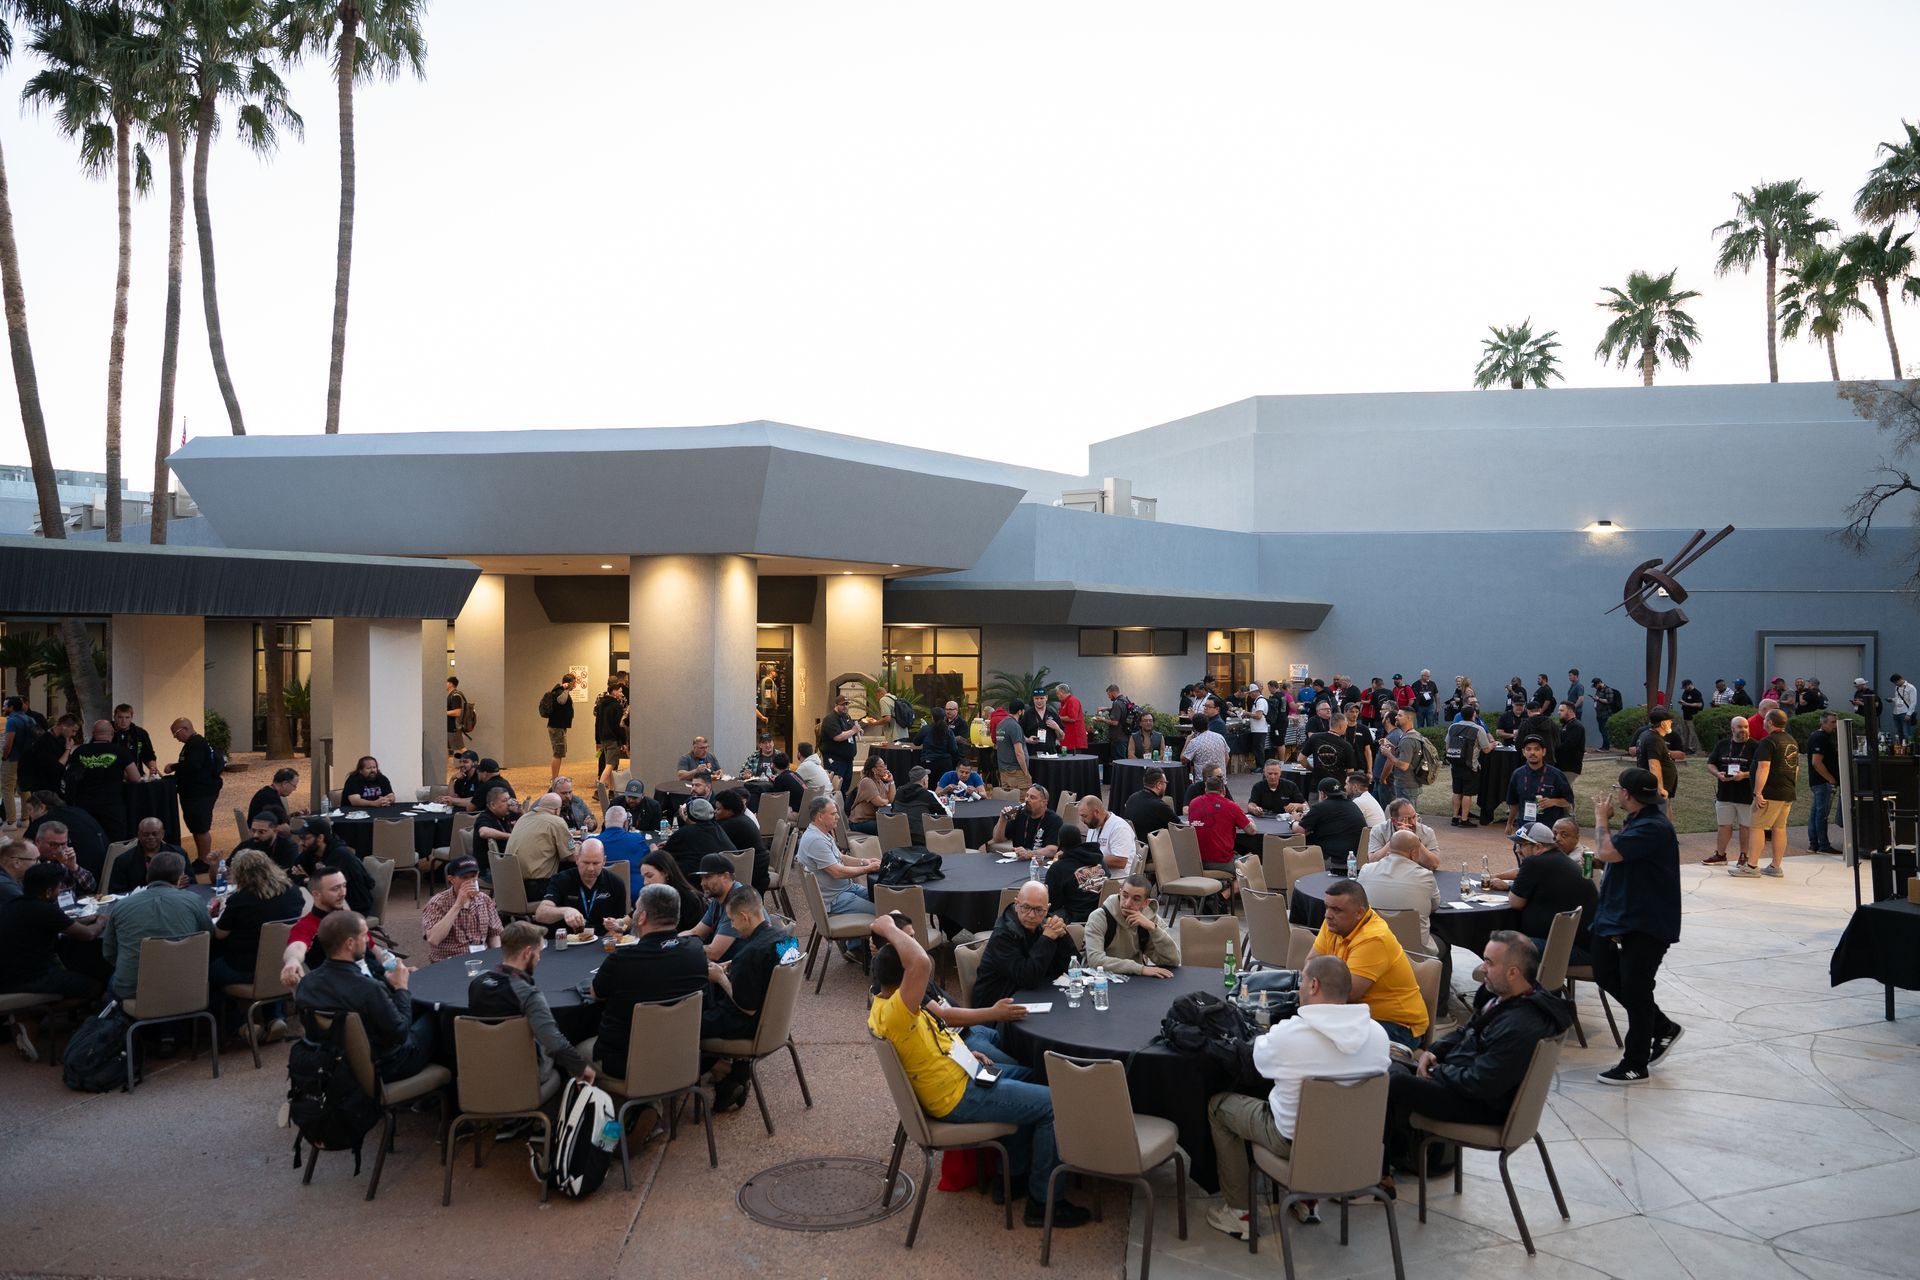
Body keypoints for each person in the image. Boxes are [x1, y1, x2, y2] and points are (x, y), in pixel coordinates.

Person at [866, 913, 1091, 1227]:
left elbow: (931, 1037)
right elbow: (920, 963)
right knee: (1054, 1104)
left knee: (1036, 1075)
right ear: (905, 982)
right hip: (956, 1096)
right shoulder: (897, 1012)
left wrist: (966, 1054)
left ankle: (1012, 1178)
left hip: (963, 1073)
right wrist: (887, 928)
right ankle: (1044, 1203)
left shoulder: (889, 1004)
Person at [1204, 955, 1390, 1239]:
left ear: (1313, 985)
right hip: (1358, 1147)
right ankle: (1307, 1200)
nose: (1300, 987)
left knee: (1219, 1107)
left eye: (1302, 980)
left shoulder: (1289, 1035)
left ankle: (1239, 1212)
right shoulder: (1378, 1036)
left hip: (1294, 1144)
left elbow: (1257, 1064)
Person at [1384, 933, 1573, 1178]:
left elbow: (1481, 1083)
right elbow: (1467, 1031)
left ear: (1513, 973)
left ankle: (1375, 1173)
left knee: (1393, 1082)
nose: (1483, 968)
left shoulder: (1521, 1024)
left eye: (1490, 963)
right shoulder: (1507, 998)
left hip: (1482, 1104)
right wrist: (1433, 1052)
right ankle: (1382, 1161)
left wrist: (1436, 1071)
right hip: (1464, 1084)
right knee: (1389, 1063)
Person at [1589, 768, 1683, 1084]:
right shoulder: (1640, 821)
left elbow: (1607, 851)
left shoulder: (1654, 826)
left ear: (1627, 794)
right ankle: (1664, 1027)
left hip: (1648, 920)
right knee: (1605, 971)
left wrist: (1601, 819)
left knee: (1636, 987)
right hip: (1624, 916)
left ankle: (1635, 1063)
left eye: (1619, 789)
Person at [294, 910, 436, 1082]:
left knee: (417, 1008)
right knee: (436, 1015)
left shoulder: (307, 983)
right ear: (350, 944)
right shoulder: (368, 988)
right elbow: (400, 1033)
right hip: (386, 1065)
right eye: (364, 936)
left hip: (334, 1060)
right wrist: (400, 987)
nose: (368, 940)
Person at [468, 921, 593, 1106]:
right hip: (521, 1075)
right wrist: (581, 1069)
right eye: (538, 953)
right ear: (527, 952)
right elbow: (554, 1042)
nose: (539, 959)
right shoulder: (527, 993)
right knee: (558, 1074)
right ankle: (528, 1120)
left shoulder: (476, 983)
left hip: (480, 1072)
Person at [591, 882, 709, 1078]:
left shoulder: (621, 960)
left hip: (626, 1063)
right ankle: (649, 1104)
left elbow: (596, 994)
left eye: (636, 909)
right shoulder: (696, 952)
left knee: (572, 1056)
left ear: (642, 917)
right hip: (683, 1058)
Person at [699, 887, 795, 1112]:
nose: (731, 926)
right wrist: (732, 968)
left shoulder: (749, 954)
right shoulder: (785, 938)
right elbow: (769, 970)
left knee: (687, 1023)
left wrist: (721, 977)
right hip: (776, 1021)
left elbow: (746, 1007)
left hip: (748, 1023)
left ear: (745, 917)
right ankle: (728, 1071)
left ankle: (724, 1069)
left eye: (732, 920)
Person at [1310, 878, 1428, 1048]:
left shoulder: (1374, 938)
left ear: (1359, 913)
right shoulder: (1335, 923)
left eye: (1336, 909)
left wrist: (1313, 986)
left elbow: (1347, 994)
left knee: (1320, 1042)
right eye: (1327, 907)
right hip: (1355, 1014)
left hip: (1399, 1026)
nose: (1328, 914)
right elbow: (1310, 964)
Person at [207, 849, 304, 1030]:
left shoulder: (241, 900)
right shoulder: (293, 892)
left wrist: (219, 912)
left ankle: (237, 1024)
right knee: (267, 957)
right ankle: (274, 1017)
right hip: (282, 962)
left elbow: (220, 934)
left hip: (243, 968)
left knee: (208, 972)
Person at [99, 851, 209, 1002]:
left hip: (133, 991)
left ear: (147, 876)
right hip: (186, 988)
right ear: (179, 879)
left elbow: (109, 953)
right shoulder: (194, 901)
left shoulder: (121, 906)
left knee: (113, 985)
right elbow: (209, 937)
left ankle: (117, 1020)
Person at [1485, 822, 1596, 965]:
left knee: (1502, 947)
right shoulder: (1557, 859)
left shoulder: (1534, 863)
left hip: (1574, 950)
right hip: (1586, 946)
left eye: (1522, 845)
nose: (1518, 850)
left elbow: (1515, 903)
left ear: (1538, 847)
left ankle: (1511, 986)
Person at [0, 862, 105, 1010]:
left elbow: (59, 923)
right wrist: (100, 921)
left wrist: (87, 919)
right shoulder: (45, 909)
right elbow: (88, 935)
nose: (60, 890)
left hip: (6, 976)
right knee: (96, 986)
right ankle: (38, 1014)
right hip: (31, 978)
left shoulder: (14, 904)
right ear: (49, 891)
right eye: (59, 887)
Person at [973, 880, 1073, 1007]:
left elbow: (1073, 967)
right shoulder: (1003, 936)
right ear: (1016, 904)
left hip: (1037, 997)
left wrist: (1062, 937)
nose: (1031, 915)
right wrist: (1046, 939)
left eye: (1038, 910)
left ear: (1047, 909)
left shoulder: (1048, 925)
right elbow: (1028, 978)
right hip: (997, 1007)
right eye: (1026, 907)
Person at [796, 796, 879, 945]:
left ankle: (856, 945)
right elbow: (837, 872)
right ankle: (856, 948)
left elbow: (840, 858)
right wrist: (867, 869)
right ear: (820, 816)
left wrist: (863, 861)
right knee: (881, 911)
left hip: (844, 889)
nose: (838, 817)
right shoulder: (816, 840)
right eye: (833, 814)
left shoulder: (821, 833)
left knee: (882, 899)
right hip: (835, 898)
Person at [1358, 829, 1442, 957]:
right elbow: (1435, 905)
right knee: (1444, 941)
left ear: (1388, 850)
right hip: (1414, 952)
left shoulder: (1366, 870)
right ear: (1414, 853)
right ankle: (1430, 975)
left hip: (1372, 946)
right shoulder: (1425, 876)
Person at [1738, 709, 1798, 877]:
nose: (1763, 722)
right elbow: (1796, 768)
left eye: (1765, 720)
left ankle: (1751, 866)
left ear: (1770, 722)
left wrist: (1758, 793)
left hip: (1770, 793)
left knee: (1756, 827)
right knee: (1779, 828)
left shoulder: (1768, 741)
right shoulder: (1791, 740)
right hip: (1787, 791)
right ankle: (1775, 866)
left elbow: (1763, 767)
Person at [1081, 874, 1180, 976]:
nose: (1127, 903)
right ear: (1120, 892)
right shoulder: (1099, 917)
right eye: (1125, 895)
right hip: (1099, 981)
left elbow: (1172, 961)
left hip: (1135, 980)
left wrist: (1153, 929)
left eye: (1136, 899)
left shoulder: (1151, 920)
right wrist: (1139, 969)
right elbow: (1095, 961)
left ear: (1145, 903)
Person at [535, 839, 629, 938]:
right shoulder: (561, 880)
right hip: (568, 942)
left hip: (602, 942)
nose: (590, 869)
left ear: (604, 861)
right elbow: (540, 914)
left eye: (596, 863)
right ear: (577, 859)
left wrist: (614, 932)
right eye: (586, 863)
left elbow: (623, 925)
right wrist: (565, 911)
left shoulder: (616, 883)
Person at [160, 717, 223, 865]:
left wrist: (173, 767)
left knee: (200, 827)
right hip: (195, 792)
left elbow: (193, 766)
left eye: (176, 734)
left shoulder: (196, 744)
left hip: (200, 793)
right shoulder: (193, 743)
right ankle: (202, 858)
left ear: (185, 729)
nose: (176, 738)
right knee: (196, 826)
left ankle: (205, 860)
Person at [64, 719, 140, 842]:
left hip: (84, 804)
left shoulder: (80, 751)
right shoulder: (120, 751)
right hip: (111, 804)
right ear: (112, 734)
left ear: (94, 733)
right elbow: (135, 778)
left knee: (88, 838)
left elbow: (71, 775)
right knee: (114, 839)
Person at [421, 855, 505, 962]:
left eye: (473, 876)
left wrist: (495, 958)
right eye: (465, 877)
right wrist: (458, 905)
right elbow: (433, 939)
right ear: (451, 879)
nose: (470, 881)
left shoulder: (484, 900)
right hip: (449, 962)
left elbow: (494, 934)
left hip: (481, 959)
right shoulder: (437, 903)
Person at [292, 817, 375, 916]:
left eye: (305, 838)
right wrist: (308, 880)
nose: (300, 843)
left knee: (298, 915)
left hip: (352, 908)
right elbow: (291, 874)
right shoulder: (311, 851)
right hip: (328, 904)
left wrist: (307, 880)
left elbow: (328, 889)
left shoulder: (340, 855)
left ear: (320, 838)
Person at [1703, 716, 1757, 865]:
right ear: (1732, 729)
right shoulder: (1723, 744)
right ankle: (1720, 855)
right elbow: (1711, 764)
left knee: (1745, 826)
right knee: (1724, 825)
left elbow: (1761, 769)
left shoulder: (1755, 746)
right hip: (1725, 793)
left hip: (1746, 794)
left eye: (1746, 727)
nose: (1744, 730)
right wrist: (1717, 774)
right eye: (1740, 727)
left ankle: (1744, 856)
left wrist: (1744, 775)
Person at [1504, 733, 1575, 836]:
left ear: (1544, 752)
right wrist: (1509, 823)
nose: (1532, 752)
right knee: (1522, 852)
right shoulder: (1517, 774)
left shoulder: (1556, 775)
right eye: (1528, 749)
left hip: (1550, 829)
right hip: (1525, 828)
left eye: (1537, 749)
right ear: (1524, 752)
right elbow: (1514, 803)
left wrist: (1553, 801)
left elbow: (1569, 800)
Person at [504, 793, 572, 898]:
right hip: (536, 888)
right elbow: (572, 857)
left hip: (510, 886)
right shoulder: (557, 822)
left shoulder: (523, 818)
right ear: (556, 810)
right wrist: (577, 846)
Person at [1187, 773, 1250, 885]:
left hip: (1195, 860)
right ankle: (1224, 896)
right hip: (1221, 860)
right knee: (1252, 867)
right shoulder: (1231, 806)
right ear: (1223, 790)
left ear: (1206, 788)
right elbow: (1251, 831)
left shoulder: (1193, 803)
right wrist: (1251, 822)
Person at [686, 853, 747, 958]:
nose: (702, 883)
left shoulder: (737, 902)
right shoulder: (718, 898)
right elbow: (696, 932)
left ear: (725, 876)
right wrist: (671, 942)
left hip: (745, 968)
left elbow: (714, 953)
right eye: (702, 878)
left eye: (707, 877)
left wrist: (679, 949)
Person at [1298, 777, 1365, 873]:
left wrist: (1293, 822)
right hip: (1354, 858)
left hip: (1333, 860)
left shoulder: (1321, 807)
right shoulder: (1352, 805)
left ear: (1322, 794)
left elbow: (1300, 830)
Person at [107, 818, 188, 894]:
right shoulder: (123, 860)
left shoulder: (178, 853)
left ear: (162, 834)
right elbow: (116, 891)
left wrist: (185, 881)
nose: (150, 837)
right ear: (139, 835)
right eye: (146, 834)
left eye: (154, 834)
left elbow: (192, 882)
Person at [661, 796, 733, 879]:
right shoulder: (717, 828)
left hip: (697, 879)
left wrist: (654, 849)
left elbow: (663, 856)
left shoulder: (685, 832)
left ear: (689, 814)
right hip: (723, 877)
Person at [711, 790, 767, 889]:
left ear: (730, 811)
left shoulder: (731, 825)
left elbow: (713, 845)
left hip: (751, 875)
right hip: (759, 870)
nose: (715, 812)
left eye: (718, 809)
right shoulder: (741, 818)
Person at [640, 852, 707, 932]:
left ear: (665, 872)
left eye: (650, 876)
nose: (645, 882)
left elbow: (696, 934)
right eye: (643, 877)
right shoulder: (651, 897)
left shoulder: (689, 899)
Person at [1804, 710, 1841, 856]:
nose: (1835, 725)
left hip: (1818, 782)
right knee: (1821, 814)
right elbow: (1816, 762)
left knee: (1816, 813)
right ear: (1823, 722)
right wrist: (1830, 779)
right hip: (1822, 782)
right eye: (1832, 722)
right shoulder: (1820, 738)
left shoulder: (1820, 736)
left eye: (1836, 722)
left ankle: (1814, 844)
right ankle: (1822, 844)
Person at [988, 784, 1062, 856]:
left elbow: (1052, 850)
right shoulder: (1019, 813)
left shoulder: (1054, 820)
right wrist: (1002, 820)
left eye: (1032, 797)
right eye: (1027, 796)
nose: (1027, 800)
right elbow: (998, 840)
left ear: (1043, 803)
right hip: (1018, 861)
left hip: (1040, 863)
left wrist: (1030, 854)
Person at [1075, 794, 1139, 876]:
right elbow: (1090, 852)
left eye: (1084, 816)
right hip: (1096, 876)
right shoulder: (1094, 825)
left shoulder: (1119, 828)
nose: (1082, 820)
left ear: (1096, 812)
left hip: (1115, 881)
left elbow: (1120, 861)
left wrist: (1090, 858)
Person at [1366, 798, 1441, 866]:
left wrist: (1416, 841)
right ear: (1394, 821)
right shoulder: (1379, 830)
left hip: (1416, 875)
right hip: (1388, 874)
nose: (1413, 822)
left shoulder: (1427, 832)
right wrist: (1396, 838)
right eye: (1407, 819)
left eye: (1414, 817)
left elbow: (1434, 864)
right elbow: (1373, 861)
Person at [32, 822, 98, 897]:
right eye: (53, 844)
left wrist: (73, 867)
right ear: (38, 841)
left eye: (63, 844)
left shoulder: (65, 858)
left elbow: (91, 887)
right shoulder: (30, 860)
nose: (60, 849)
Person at [1634, 708, 1686, 799]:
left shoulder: (1647, 734)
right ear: (1663, 723)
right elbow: (1654, 765)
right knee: (1658, 811)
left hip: (1655, 784)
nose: (1671, 723)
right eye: (1669, 721)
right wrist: (1660, 788)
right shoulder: (1654, 739)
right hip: (1655, 788)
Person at [231, 812, 300, 876]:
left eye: (261, 832)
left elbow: (284, 874)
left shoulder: (288, 847)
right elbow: (229, 865)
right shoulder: (247, 844)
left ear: (275, 831)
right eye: (253, 830)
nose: (255, 835)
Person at [1121, 767, 1175, 841]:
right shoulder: (1159, 806)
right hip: (1155, 849)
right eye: (1165, 783)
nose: (1166, 786)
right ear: (1159, 785)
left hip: (1134, 845)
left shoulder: (1132, 798)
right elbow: (1180, 827)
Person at [820, 695, 860, 795]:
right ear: (836, 705)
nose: (845, 707)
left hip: (847, 760)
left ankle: (842, 807)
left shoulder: (846, 717)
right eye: (842, 705)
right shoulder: (830, 719)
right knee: (835, 788)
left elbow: (850, 731)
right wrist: (853, 730)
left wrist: (857, 730)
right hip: (835, 761)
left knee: (845, 787)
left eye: (847, 704)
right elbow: (838, 737)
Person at [848, 754, 895, 834]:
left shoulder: (879, 781)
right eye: (882, 766)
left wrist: (891, 781)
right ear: (874, 770)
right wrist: (887, 801)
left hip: (872, 819)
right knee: (887, 827)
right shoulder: (867, 781)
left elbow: (891, 798)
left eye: (885, 765)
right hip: (859, 822)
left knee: (892, 824)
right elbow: (879, 802)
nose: (885, 768)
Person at [543, 672, 577, 781]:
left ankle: (555, 777)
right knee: (558, 753)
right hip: (556, 726)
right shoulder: (560, 692)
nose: (575, 685)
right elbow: (561, 701)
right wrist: (566, 689)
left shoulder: (559, 690)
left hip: (559, 726)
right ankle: (554, 779)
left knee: (559, 753)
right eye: (574, 682)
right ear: (570, 682)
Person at [1181, 711, 1230, 788]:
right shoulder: (1220, 737)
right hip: (1221, 781)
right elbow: (1227, 757)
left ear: (1194, 727)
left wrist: (1187, 740)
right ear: (1208, 724)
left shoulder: (1194, 742)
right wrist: (1222, 770)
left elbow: (1183, 759)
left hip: (1203, 783)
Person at [247, 766, 304, 831]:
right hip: (261, 835)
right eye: (294, 786)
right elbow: (281, 824)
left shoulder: (267, 791)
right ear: (284, 784)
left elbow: (278, 818)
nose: (294, 789)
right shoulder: (270, 798)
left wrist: (294, 815)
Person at [108, 704, 158, 776]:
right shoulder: (105, 731)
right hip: (112, 776)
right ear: (114, 717)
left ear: (131, 718)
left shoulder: (140, 733)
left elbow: (148, 755)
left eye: (127, 717)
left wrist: (153, 769)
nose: (123, 721)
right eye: (120, 717)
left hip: (136, 775)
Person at [473, 787, 520, 863]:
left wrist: (520, 811)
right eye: (505, 801)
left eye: (509, 799)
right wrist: (510, 837)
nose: (509, 803)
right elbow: (483, 832)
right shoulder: (485, 817)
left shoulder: (507, 814)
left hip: (508, 861)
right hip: (490, 870)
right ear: (493, 805)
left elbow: (528, 825)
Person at [994, 698, 1032, 792]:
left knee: (1007, 802)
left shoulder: (1001, 724)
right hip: (1016, 772)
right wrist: (1025, 772)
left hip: (1003, 771)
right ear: (1020, 711)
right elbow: (1019, 752)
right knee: (1022, 801)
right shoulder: (1015, 726)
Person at [592, 681, 626, 787]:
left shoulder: (601, 705)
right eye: (620, 692)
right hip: (613, 740)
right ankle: (599, 789)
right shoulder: (617, 707)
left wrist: (597, 740)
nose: (622, 694)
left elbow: (597, 724)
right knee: (611, 765)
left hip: (603, 739)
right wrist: (623, 741)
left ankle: (612, 790)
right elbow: (619, 726)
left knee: (610, 764)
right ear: (614, 692)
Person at [446, 676, 469, 755]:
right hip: (450, 726)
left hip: (454, 727)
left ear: (451, 684)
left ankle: (473, 763)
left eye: (446, 682)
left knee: (461, 748)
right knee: (448, 747)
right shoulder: (452, 694)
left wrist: (443, 712)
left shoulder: (455, 696)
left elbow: (457, 712)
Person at [1891, 673, 1917, 742]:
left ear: (1901, 679)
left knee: (1907, 733)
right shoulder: (1897, 687)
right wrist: (1892, 700)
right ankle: (1901, 750)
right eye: (1894, 683)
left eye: (1896, 682)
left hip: (1905, 712)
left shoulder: (1911, 688)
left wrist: (1909, 714)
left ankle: (1909, 750)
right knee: (1899, 732)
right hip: (1896, 712)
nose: (1895, 684)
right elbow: (1899, 699)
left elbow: (1913, 702)